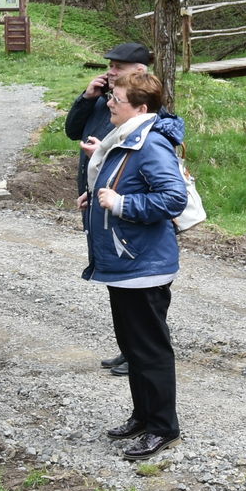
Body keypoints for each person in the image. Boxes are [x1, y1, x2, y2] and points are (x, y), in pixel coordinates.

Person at [78, 71, 188, 460]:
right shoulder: (126, 139)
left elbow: (173, 198)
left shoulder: (150, 144)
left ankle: (163, 427)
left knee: (150, 350)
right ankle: (143, 416)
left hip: (144, 266)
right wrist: (96, 197)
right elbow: (128, 182)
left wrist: (121, 204)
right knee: (133, 347)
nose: (109, 103)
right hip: (125, 265)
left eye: (117, 99)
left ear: (140, 108)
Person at [68, 41, 169, 378]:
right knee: (119, 290)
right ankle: (129, 349)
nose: (111, 71)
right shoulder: (105, 100)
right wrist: (87, 98)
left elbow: (162, 186)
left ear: (139, 71)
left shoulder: (147, 114)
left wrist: (117, 197)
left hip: (131, 224)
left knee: (144, 304)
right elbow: (72, 130)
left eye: (118, 67)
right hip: (103, 211)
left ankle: (141, 354)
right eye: (110, 65)